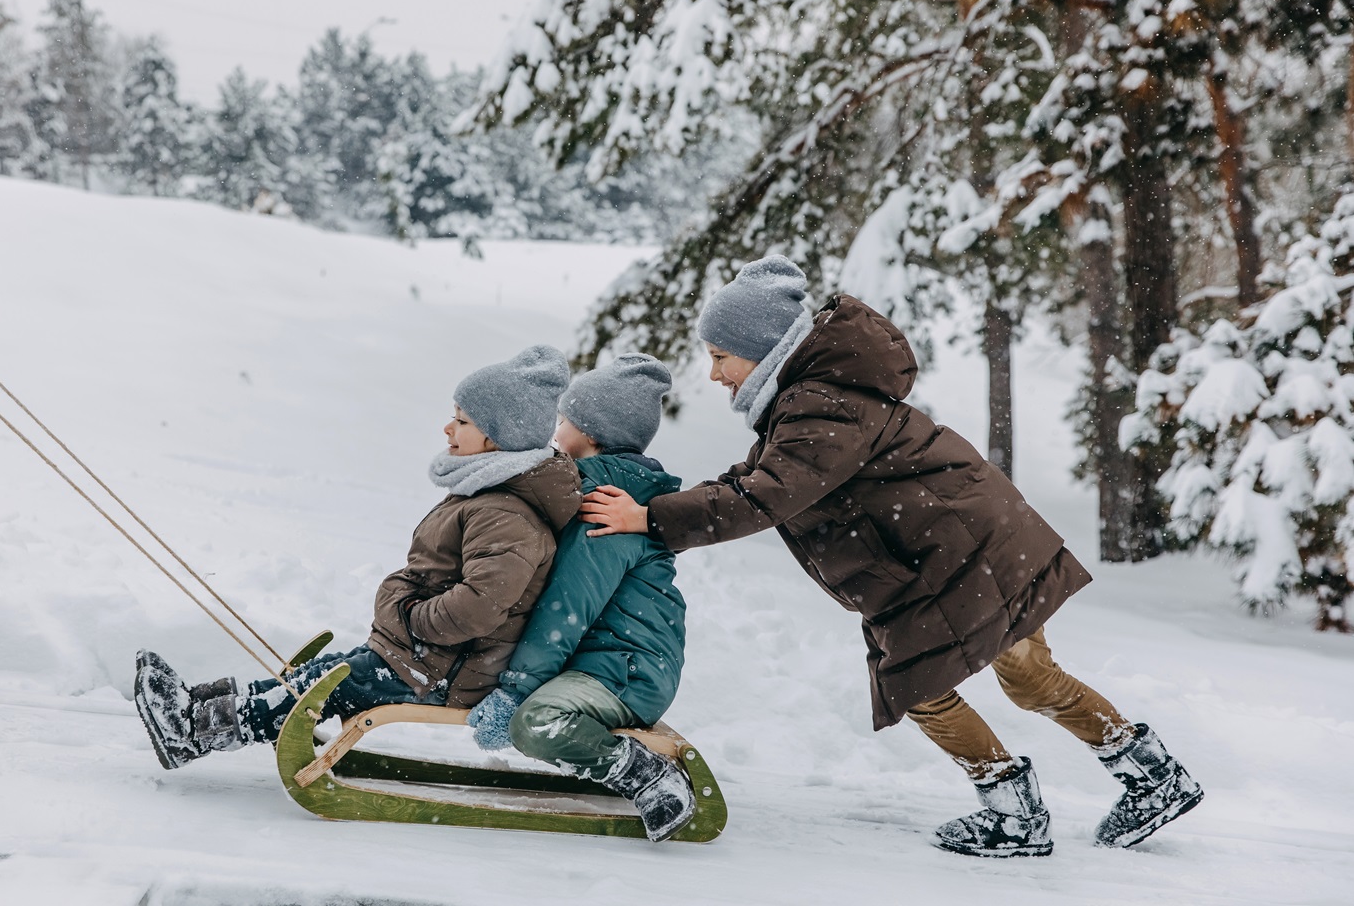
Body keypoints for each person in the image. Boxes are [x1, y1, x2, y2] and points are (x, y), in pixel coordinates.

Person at [580, 256, 1203, 858]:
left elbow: (763, 495)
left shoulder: (820, 403)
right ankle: (1150, 775)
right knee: (1027, 676)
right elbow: (757, 477)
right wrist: (671, 504)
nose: (716, 375)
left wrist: (650, 519)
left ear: (763, 349)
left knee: (918, 683)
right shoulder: (814, 396)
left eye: (720, 357)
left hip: (950, 560)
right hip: (977, 547)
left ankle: (1016, 811)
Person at [134, 345, 580, 769]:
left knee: (325, 688)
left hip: (440, 671)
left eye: (460, 421)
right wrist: (404, 609)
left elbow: (480, 605)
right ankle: (200, 707)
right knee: (320, 675)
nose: (447, 429)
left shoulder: (507, 514)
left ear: (494, 439)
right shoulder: (488, 499)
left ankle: (195, 732)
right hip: (421, 657)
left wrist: (410, 616)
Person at [465, 354, 694, 841]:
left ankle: (647, 776)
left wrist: (517, 689)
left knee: (536, 723)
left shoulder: (604, 507)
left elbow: (568, 608)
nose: (555, 430)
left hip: (627, 669)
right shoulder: (603, 493)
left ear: (591, 435)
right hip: (606, 661)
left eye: (565, 420)